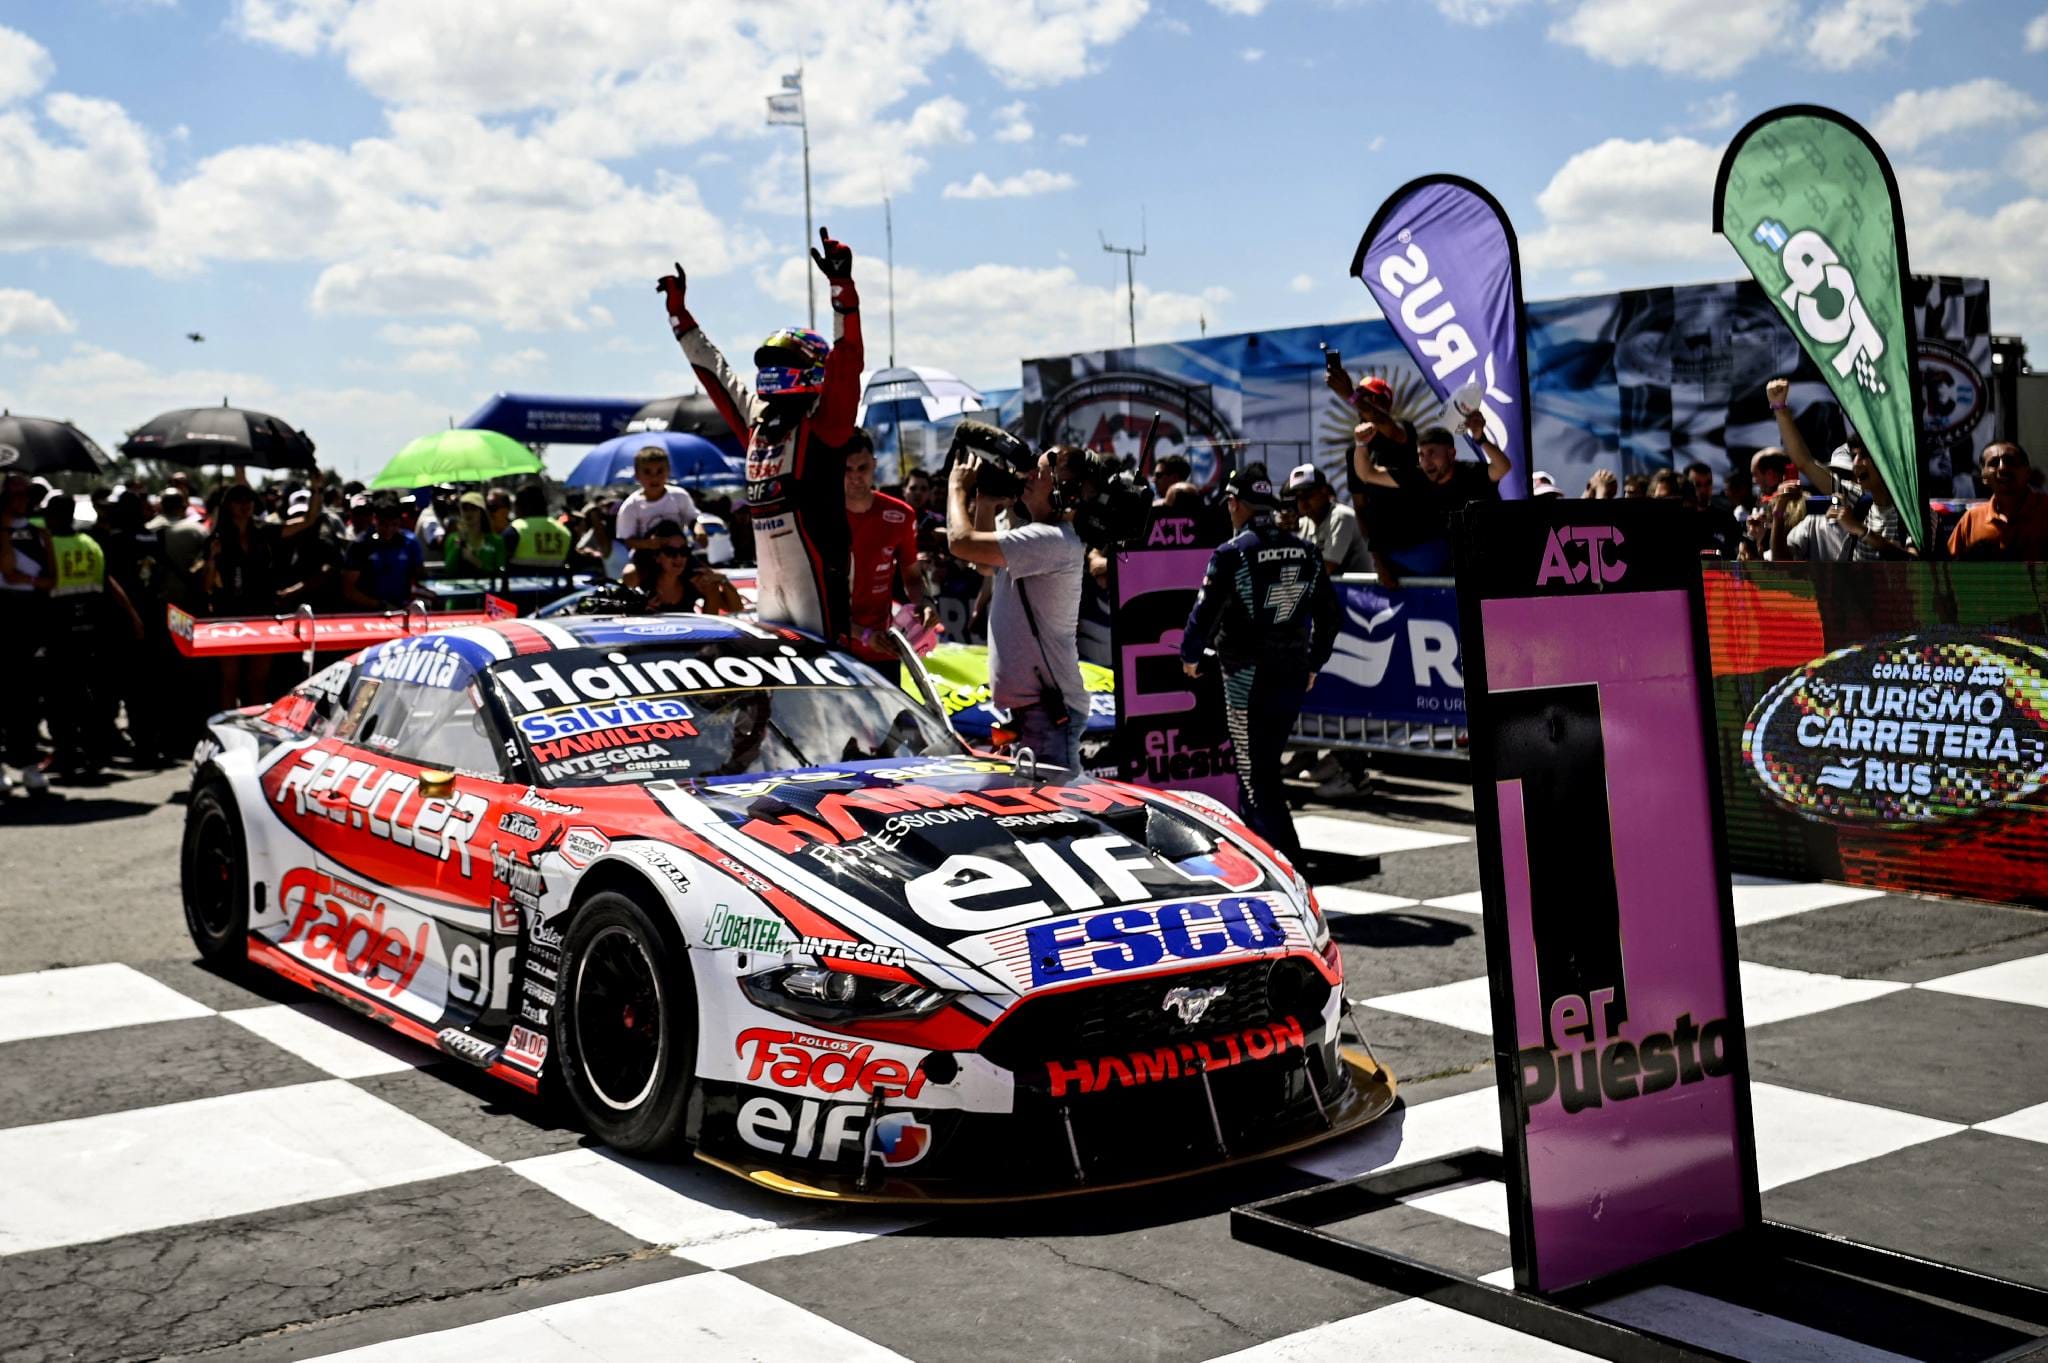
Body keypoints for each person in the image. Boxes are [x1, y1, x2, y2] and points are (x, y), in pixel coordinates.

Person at [658, 227, 863, 639]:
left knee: (826, 676)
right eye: (770, 362)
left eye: (782, 361)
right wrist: (679, 316)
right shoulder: (757, 417)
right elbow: (716, 373)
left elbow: (848, 361)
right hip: (770, 579)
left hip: (819, 572)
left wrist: (842, 290)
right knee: (777, 686)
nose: (772, 370)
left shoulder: (825, 420)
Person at [1180, 465, 1340, 862]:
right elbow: (1332, 617)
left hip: (1247, 679)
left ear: (1234, 504)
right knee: (1265, 770)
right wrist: (1313, 663)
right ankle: (1266, 861)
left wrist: (1189, 656)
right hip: (1291, 674)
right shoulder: (1307, 549)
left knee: (1257, 780)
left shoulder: (1232, 553)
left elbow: (1205, 613)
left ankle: (1288, 869)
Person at [946, 441, 1095, 769]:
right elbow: (986, 565)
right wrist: (984, 504)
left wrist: (957, 488)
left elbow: (961, 543)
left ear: (1061, 491)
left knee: (1057, 816)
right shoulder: (1040, 537)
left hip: (1047, 712)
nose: (1027, 475)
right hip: (1036, 711)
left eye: (1039, 472)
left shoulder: (1050, 540)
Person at [43, 493, 140, 779]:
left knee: (59, 697)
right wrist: (132, 616)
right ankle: (94, 752)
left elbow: (43, 584)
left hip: (58, 628)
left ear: (54, 515)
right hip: (92, 629)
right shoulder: (89, 543)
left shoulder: (48, 544)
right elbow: (107, 582)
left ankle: (66, 754)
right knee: (89, 695)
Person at [1348, 412, 1509, 584]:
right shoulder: (1416, 476)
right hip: (1430, 559)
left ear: (1452, 454)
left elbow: (1503, 467)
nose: (1426, 461)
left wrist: (1480, 438)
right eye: (1421, 455)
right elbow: (1366, 474)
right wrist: (1361, 444)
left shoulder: (1470, 473)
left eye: (1432, 453)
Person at [1766, 377, 1914, 561]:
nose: (1856, 464)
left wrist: (1860, 530)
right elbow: (1804, 463)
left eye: (1865, 456)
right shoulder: (1858, 500)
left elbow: (1916, 564)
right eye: (1854, 456)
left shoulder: (1915, 512)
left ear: (1888, 462)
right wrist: (1780, 408)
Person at [843, 432, 938, 661]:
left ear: (874, 465)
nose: (855, 477)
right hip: (835, 651)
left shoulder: (901, 515)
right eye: (847, 469)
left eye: (862, 468)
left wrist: (925, 602)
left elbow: (913, 578)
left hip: (883, 648)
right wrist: (862, 635)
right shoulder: (819, 516)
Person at [205, 483, 280, 708]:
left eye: (248, 501)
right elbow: (207, 586)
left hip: (262, 613)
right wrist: (211, 559)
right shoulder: (216, 539)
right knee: (230, 681)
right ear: (228, 506)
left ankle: (256, 728)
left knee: (258, 682)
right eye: (238, 501)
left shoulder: (263, 532)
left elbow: (305, 522)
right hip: (229, 615)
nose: (244, 506)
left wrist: (316, 489)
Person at [1, 473, 52, 792]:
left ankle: (29, 764)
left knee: (28, 697)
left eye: (26, 494)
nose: (23, 500)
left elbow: (51, 578)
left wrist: (28, 581)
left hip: (30, 616)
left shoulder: (38, 532)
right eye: (15, 494)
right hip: (3, 613)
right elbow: (7, 569)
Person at [1949, 443, 2048, 561]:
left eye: (2010, 461)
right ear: (1984, 477)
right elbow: (1948, 569)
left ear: (2027, 472)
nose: (2002, 468)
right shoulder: (1972, 519)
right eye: (1994, 463)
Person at [342, 495, 425, 610]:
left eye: (394, 524)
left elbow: (420, 575)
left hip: (404, 609)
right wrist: (381, 605)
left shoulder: (410, 543)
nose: (388, 529)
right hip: (369, 612)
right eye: (383, 524)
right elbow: (349, 590)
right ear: (375, 520)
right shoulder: (360, 545)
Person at [1285, 464, 1370, 575]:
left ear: (1324, 491)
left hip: (1361, 590)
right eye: (1299, 498)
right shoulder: (1305, 523)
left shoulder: (1341, 516)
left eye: (1307, 495)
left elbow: (1327, 568)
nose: (1303, 503)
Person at [615, 445, 700, 552]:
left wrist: (699, 531)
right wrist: (648, 544)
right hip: (646, 557)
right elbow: (627, 540)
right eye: (647, 472)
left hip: (677, 553)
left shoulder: (679, 496)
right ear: (637, 475)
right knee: (629, 570)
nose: (654, 477)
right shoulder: (631, 506)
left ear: (668, 472)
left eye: (660, 471)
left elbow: (692, 519)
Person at [502, 482, 572, 571]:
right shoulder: (563, 530)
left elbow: (501, 559)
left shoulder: (517, 528)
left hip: (519, 581)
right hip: (556, 582)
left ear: (519, 506)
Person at [444, 491, 509, 575]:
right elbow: (449, 570)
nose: (468, 512)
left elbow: (500, 571)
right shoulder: (452, 538)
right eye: (465, 508)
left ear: (481, 512)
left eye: (473, 508)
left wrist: (475, 561)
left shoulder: (496, 541)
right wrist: (458, 547)